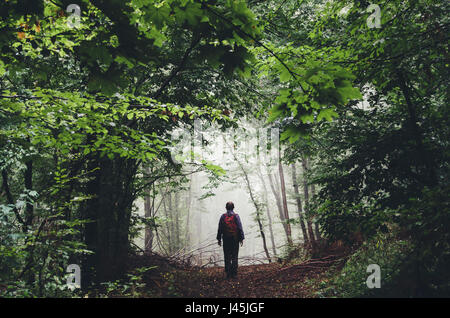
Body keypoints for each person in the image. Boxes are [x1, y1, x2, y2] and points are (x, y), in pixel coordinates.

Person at [216, 201, 244, 279]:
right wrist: (241, 238)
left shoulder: (223, 216)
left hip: (226, 238)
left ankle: (228, 273)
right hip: (235, 239)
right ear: (233, 207)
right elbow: (239, 227)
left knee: (227, 255)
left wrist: (219, 238)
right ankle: (234, 273)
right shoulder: (236, 216)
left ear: (226, 208)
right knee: (234, 255)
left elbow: (220, 228)